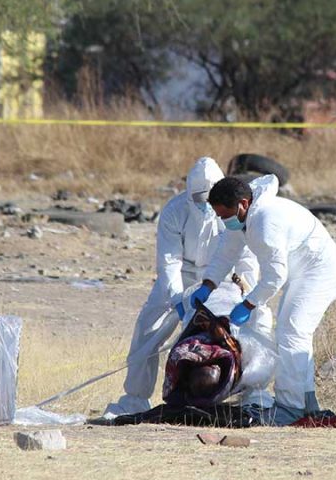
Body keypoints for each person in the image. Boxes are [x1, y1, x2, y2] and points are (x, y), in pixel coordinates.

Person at [103, 157, 261, 420]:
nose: (204, 204)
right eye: (199, 197)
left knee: (254, 322)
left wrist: (246, 287)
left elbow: (246, 256)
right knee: (149, 325)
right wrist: (179, 298)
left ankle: (255, 393)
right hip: (183, 277)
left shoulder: (230, 211)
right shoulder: (174, 211)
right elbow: (169, 262)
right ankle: (135, 398)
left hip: (222, 278)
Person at [191, 174, 336, 425]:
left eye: (225, 216)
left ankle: (290, 407)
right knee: (292, 332)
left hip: (322, 273)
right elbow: (226, 253)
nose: (224, 221)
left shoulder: (265, 222)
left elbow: (275, 275)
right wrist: (208, 285)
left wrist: (248, 305)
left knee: (292, 332)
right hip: (302, 274)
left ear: (243, 204)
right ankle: (307, 403)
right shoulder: (242, 218)